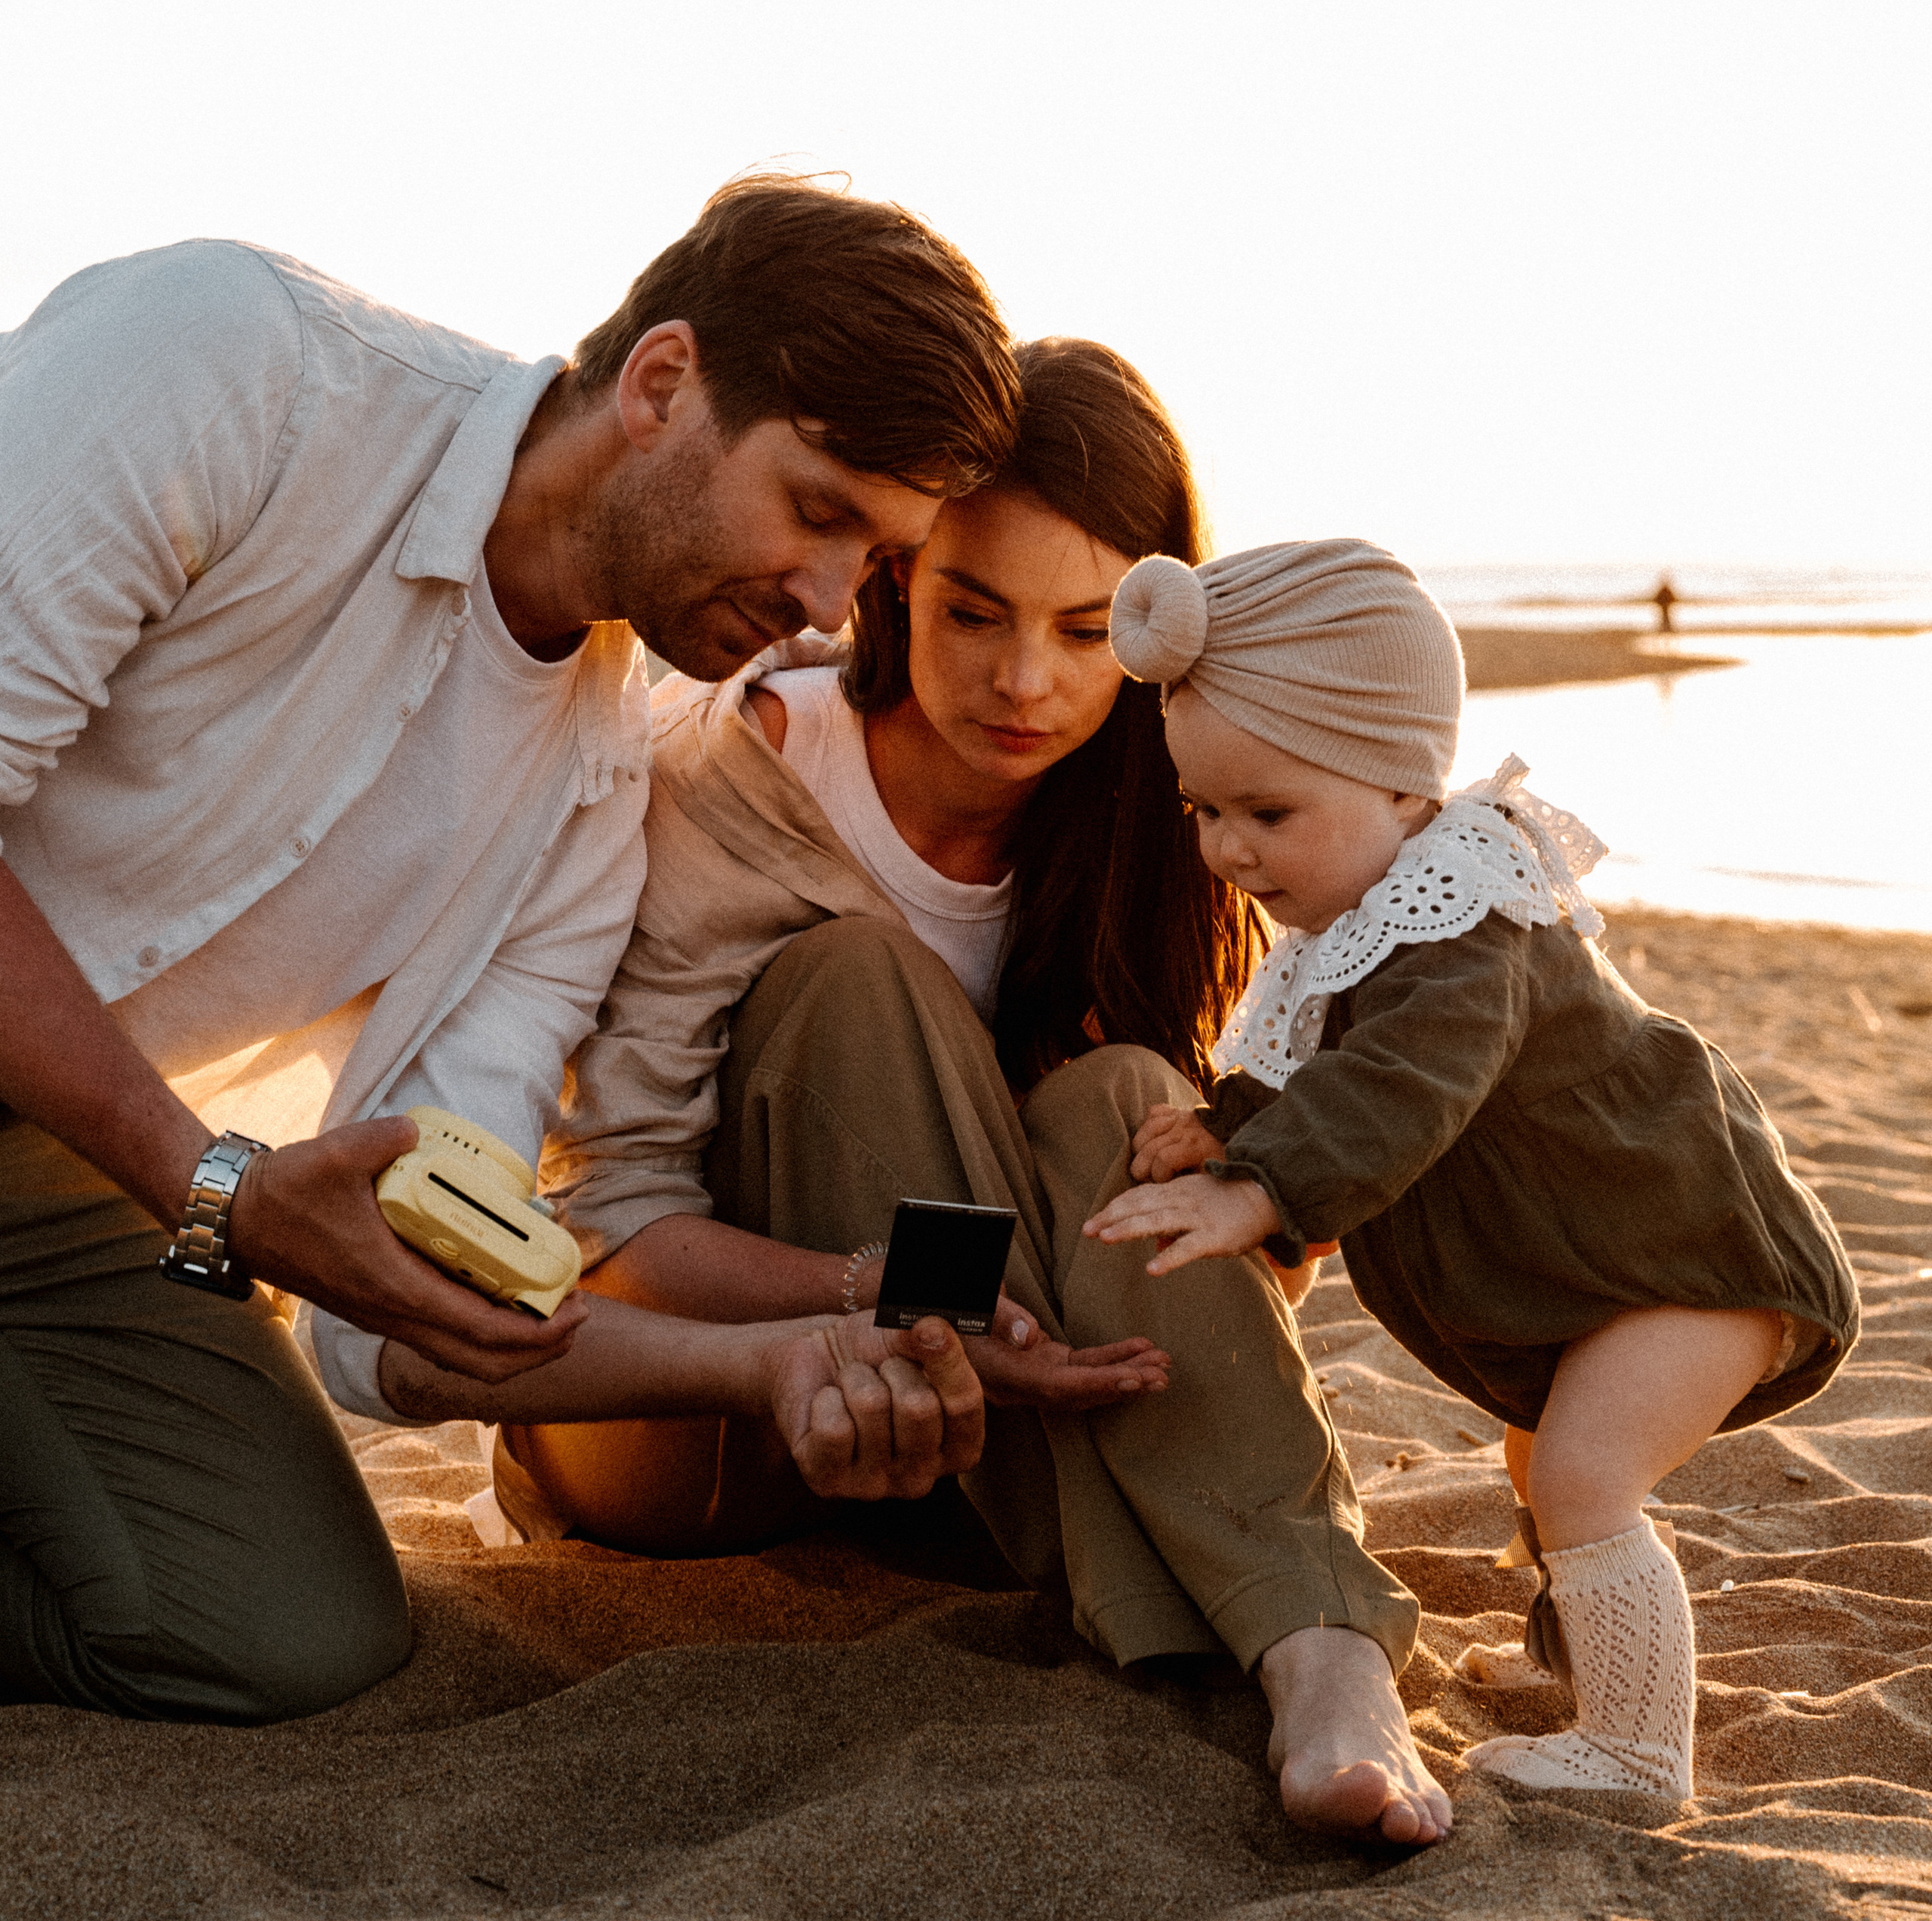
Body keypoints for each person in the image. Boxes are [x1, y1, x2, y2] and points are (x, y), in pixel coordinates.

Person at [0, 176, 1020, 1722]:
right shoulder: (237, 363)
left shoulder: (593, 800)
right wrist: (210, 1180)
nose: (823, 604)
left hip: (45, 1156)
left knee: (283, 1628)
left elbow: (403, 1296)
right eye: (818, 510)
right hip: (128, 1142)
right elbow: (218, 1187)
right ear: (662, 385)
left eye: (870, 561)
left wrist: (771, 1360)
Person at [517, 342, 1455, 1848]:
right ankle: (1241, 1591)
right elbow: (614, 1221)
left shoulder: (1156, 825)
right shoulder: (745, 770)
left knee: (1130, 1094)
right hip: (695, 1417)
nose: (1024, 680)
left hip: (963, 1455)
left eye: (1085, 630)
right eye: (972, 609)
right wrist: (867, 1293)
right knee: (854, 983)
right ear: (890, 574)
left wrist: (1263, 1197)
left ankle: (1320, 1648)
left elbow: (1212, 1220)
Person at [1087, 538, 1860, 1805]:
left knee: (1581, 1473)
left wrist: (1259, 1185)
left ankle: (1637, 1748)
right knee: (1539, 1464)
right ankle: (1591, 1667)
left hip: (1694, 1257)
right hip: (1607, 1262)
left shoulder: (1466, 919)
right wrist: (1234, 1119)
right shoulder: (1368, 921)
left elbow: (1405, 1075)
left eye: (1268, 813)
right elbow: (1330, 1049)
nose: (1230, 849)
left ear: (1402, 789)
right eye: (1206, 813)